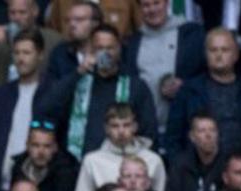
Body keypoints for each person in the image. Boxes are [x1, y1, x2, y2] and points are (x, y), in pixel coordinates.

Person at [39, 24, 157, 161]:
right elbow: (46, 108)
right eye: (99, 48)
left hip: (122, 166)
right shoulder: (77, 81)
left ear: (119, 49)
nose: (105, 53)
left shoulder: (135, 86)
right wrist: (78, 72)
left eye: (110, 48)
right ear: (90, 50)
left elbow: (149, 133)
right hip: (76, 165)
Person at [162, 28, 241, 158]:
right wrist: (183, 171)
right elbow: (173, 139)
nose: (219, 55)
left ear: (236, 55)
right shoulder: (188, 92)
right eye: (213, 50)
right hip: (198, 171)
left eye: (225, 50)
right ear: (205, 54)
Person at [71, 104, 165, 191]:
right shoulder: (92, 161)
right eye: (115, 126)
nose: (121, 131)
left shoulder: (153, 160)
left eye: (126, 125)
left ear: (135, 127)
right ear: (106, 128)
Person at [122, 0, 206, 134]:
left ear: (167, 4)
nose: (152, 9)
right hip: (146, 129)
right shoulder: (133, 42)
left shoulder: (191, 34)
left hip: (185, 128)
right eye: (146, 5)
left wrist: (184, 85)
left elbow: (206, 75)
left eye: (156, 3)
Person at [0, 0, 60, 88]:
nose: (17, 17)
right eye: (12, 13)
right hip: (4, 97)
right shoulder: (1, 40)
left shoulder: (52, 40)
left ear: (35, 12)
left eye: (22, 12)